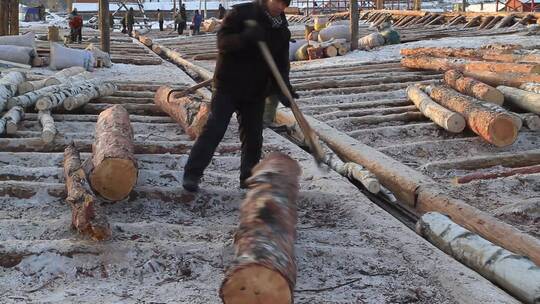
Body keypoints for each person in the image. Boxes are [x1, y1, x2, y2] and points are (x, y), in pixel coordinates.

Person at [182, 0, 296, 192]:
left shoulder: (281, 29)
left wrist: (284, 88)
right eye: (277, 2)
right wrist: (244, 38)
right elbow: (222, 43)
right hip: (228, 85)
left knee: (253, 137)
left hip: (256, 90)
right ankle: (192, 174)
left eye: (284, 4)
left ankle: (248, 178)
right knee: (215, 129)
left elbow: (281, 65)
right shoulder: (242, 13)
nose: (280, 8)